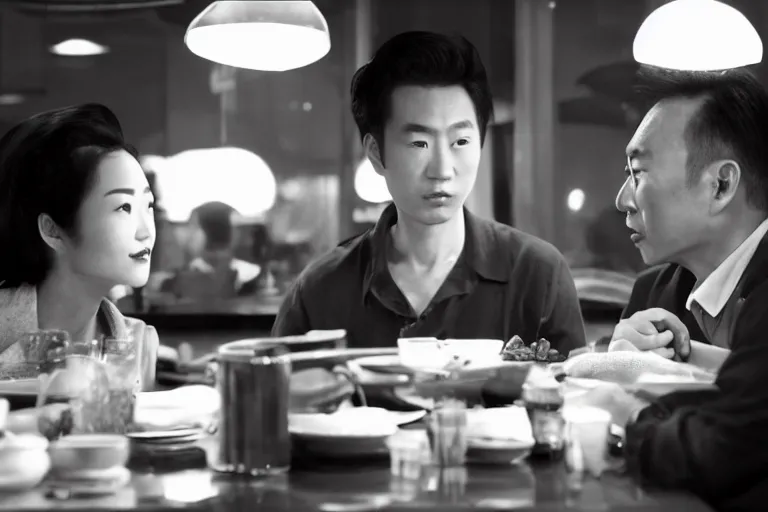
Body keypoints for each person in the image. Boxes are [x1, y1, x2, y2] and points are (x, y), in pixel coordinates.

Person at [273, 31, 586, 355]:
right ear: (377, 154)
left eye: (460, 142)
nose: (442, 169)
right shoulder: (322, 288)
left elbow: (578, 397)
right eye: (419, 143)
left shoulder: (538, 273)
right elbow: (278, 398)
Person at [582, 68, 768, 509]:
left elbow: (720, 452)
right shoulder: (654, 292)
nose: (622, 199)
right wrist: (620, 363)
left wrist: (623, 403)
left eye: (639, 171)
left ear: (720, 185)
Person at [0, 103, 159, 391]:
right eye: (123, 207)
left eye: (148, 206)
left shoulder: (138, 343)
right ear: (53, 230)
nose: (146, 231)